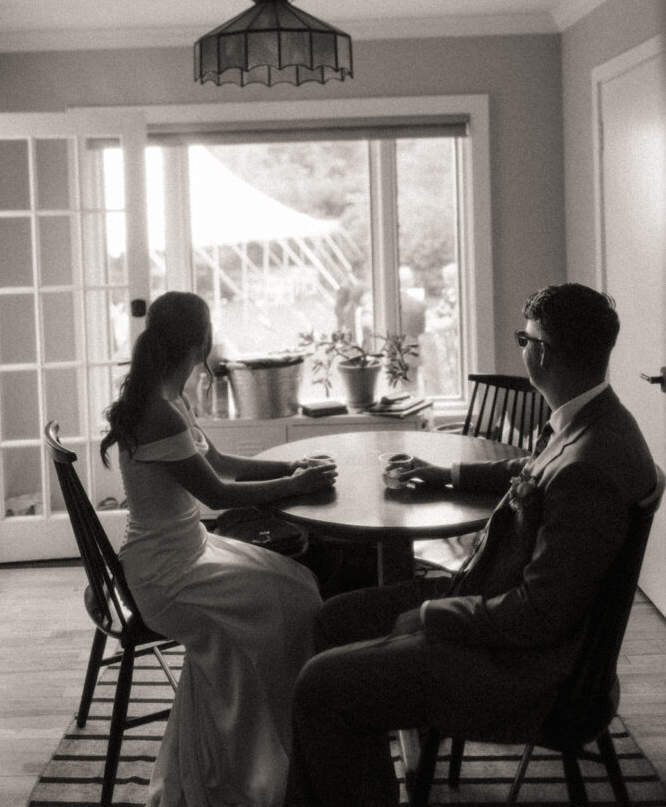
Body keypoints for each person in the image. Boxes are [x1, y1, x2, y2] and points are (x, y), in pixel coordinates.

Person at [284, 283, 657, 807]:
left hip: (528, 675)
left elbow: (537, 617)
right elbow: (529, 471)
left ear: (543, 352)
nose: (522, 348)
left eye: (524, 339)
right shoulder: (595, 420)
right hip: (505, 617)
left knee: (319, 685)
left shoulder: (589, 468)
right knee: (334, 621)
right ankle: (363, 780)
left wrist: (435, 612)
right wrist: (447, 472)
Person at [100, 291, 337, 807]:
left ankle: (252, 750)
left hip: (188, 551)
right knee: (294, 604)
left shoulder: (168, 398)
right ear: (200, 342)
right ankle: (277, 747)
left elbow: (222, 462)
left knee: (299, 587)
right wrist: (296, 486)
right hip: (168, 574)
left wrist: (291, 471)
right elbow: (219, 493)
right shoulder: (159, 411)